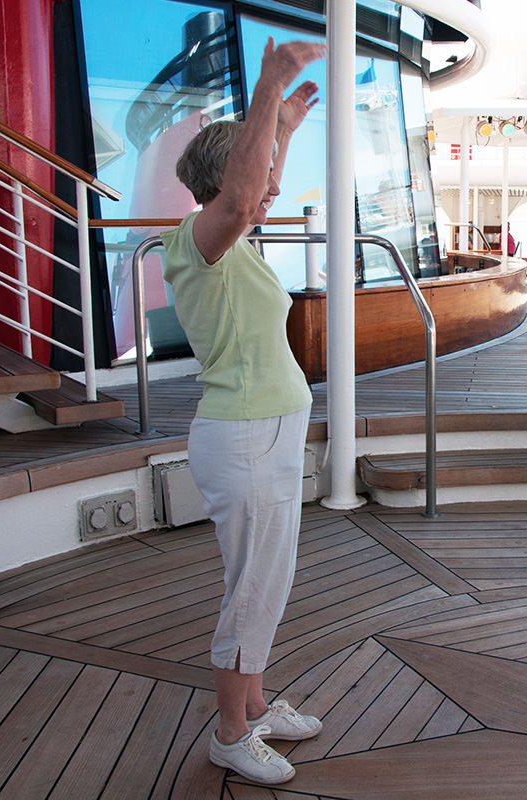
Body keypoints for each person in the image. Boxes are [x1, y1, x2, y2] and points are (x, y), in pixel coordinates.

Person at [162, 38, 326, 786]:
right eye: (260, 169)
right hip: (245, 436)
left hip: (271, 432)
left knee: (270, 579)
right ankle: (230, 732)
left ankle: (255, 707)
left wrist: (285, 128)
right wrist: (268, 86)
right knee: (253, 588)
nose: (268, 189)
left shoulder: (239, 243)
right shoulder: (202, 243)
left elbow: (251, 191)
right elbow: (240, 195)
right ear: (230, 178)